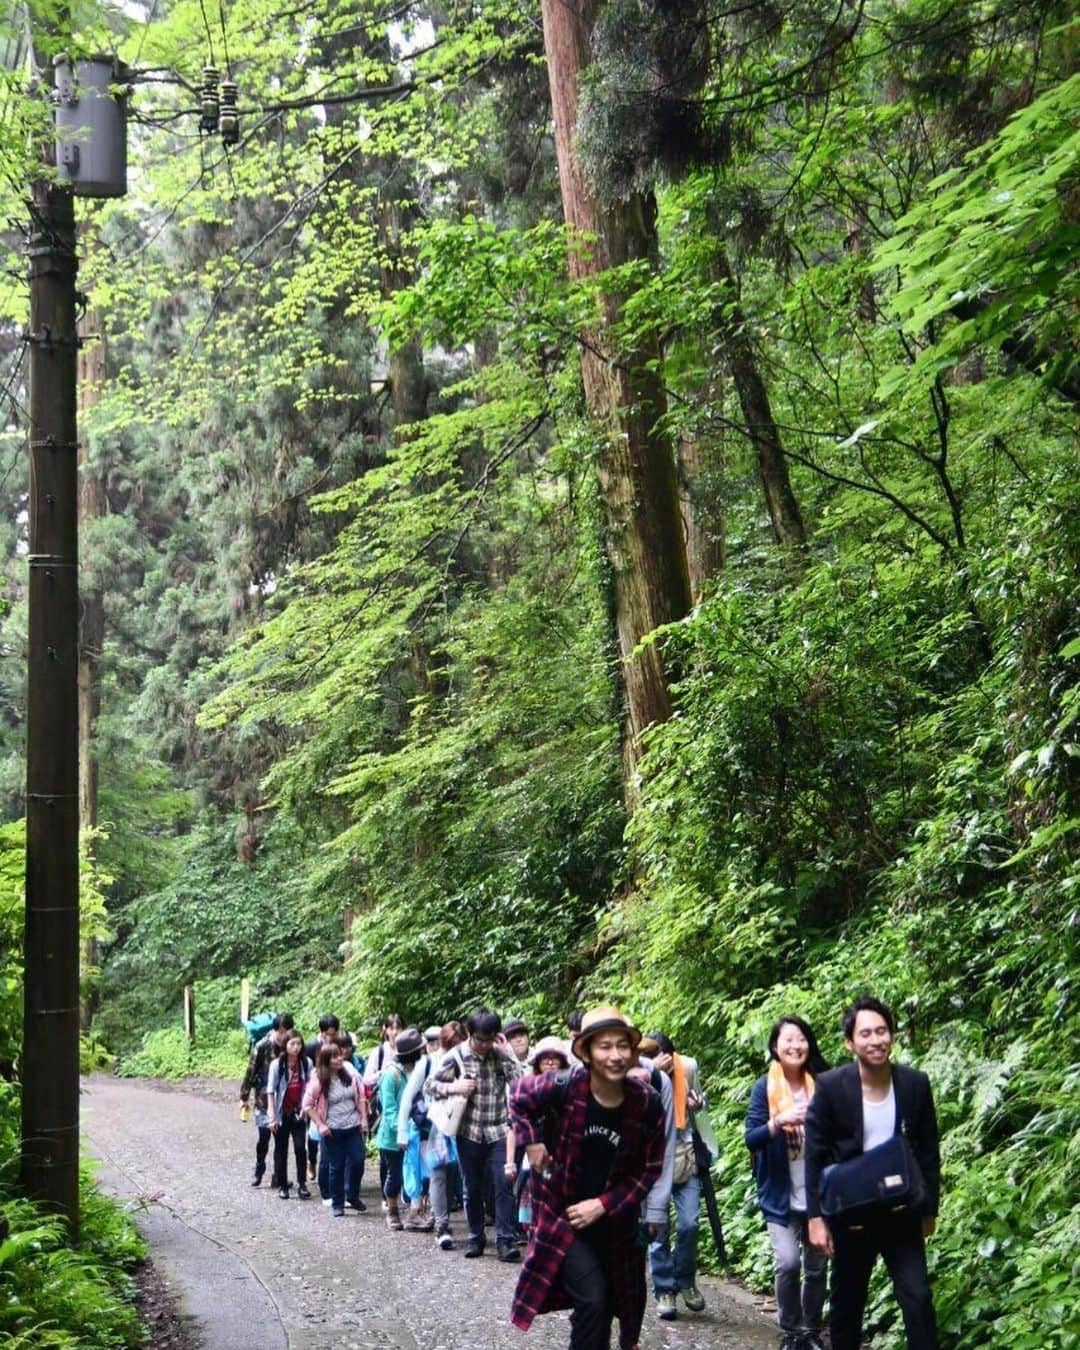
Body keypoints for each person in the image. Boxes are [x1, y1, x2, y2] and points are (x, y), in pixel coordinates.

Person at [508, 1005, 667, 1350]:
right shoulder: (564, 1086)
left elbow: (649, 1169)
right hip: (561, 1216)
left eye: (622, 1046)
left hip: (613, 1224)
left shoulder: (646, 1102)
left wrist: (603, 1205)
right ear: (588, 1053)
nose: (615, 1055)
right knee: (593, 1298)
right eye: (605, 1047)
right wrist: (531, 1142)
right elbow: (517, 1097)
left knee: (609, 1304)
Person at [806, 995, 941, 1350]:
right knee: (847, 1306)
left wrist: (929, 1208)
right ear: (849, 1042)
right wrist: (816, 1218)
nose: (876, 1040)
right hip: (852, 1211)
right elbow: (814, 1155)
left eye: (882, 1031)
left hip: (901, 1208)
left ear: (892, 1035)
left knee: (918, 1298)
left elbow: (929, 1150)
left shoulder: (914, 1083)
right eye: (866, 1034)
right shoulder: (832, 1086)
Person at [745, 1015, 830, 1350]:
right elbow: (752, 1139)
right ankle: (790, 1331)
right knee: (787, 1263)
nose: (796, 1046)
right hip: (779, 1192)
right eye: (788, 1040)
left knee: (816, 1267)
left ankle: (810, 1331)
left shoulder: (823, 1084)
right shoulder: (763, 1088)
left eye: (801, 1039)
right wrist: (777, 1122)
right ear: (775, 1047)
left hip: (816, 1194)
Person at [428, 1007, 525, 1260]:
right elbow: (431, 1086)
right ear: (470, 1034)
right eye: (480, 1039)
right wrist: (454, 1087)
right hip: (468, 1132)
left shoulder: (500, 1055)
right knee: (471, 1188)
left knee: (504, 1185)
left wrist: (509, 1052)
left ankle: (505, 1240)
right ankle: (476, 1237)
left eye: (490, 1039)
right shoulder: (456, 1056)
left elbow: (521, 1081)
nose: (484, 1045)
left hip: (498, 1130)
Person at [640, 1032, 707, 1321]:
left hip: (686, 1156)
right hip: (653, 1161)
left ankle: (686, 1280)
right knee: (658, 1229)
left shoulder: (688, 1068)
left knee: (690, 1223)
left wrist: (697, 1103)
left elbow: (703, 1102)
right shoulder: (641, 1075)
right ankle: (664, 1290)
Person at [303, 1041, 369, 1218]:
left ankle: (353, 1195)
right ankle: (337, 1203)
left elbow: (361, 1097)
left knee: (358, 1161)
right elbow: (307, 1104)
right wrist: (320, 1124)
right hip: (333, 1130)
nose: (339, 1059)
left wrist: (363, 1118)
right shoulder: (319, 1080)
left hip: (353, 1126)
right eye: (334, 1056)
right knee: (336, 1166)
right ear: (326, 1060)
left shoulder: (349, 1075)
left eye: (340, 1055)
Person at [378, 1025, 426, 1230]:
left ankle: (417, 1213)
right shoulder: (391, 1075)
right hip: (392, 1137)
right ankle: (392, 1210)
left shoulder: (421, 1070)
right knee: (394, 1175)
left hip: (417, 1133)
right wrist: (401, 1132)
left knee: (419, 1173)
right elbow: (388, 1109)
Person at [239, 1013, 294, 1187]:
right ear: (276, 1030)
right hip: (263, 1100)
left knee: (281, 1141)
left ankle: (278, 1176)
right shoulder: (263, 1046)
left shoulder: (290, 1046)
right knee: (263, 1138)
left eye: (288, 1031)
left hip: (283, 1101)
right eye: (283, 1031)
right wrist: (244, 1097)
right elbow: (251, 1071)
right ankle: (259, 1168)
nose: (285, 1035)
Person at [267, 1030, 313, 1200]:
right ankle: (283, 1184)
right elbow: (271, 1091)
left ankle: (302, 1184)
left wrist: (305, 1107)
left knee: (301, 1148)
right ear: (285, 1046)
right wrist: (272, 1116)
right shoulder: (277, 1065)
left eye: (298, 1044)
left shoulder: (306, 1063)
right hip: (281, 1113)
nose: (296, 1048)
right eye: (292, 1044)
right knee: (281, 1149)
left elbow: (309, 1086)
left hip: (298, 1111)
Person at [304, 1014, 341, 1183]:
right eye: (329, 1033)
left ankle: (329, 1171)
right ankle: (311, 1161)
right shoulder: (312, 1047)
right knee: (313, 1134)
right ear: (322, 1032)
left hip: (332, 1095)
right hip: (314, 1094)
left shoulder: (339, 1045)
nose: (332, 1037)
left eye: (335, 1033)